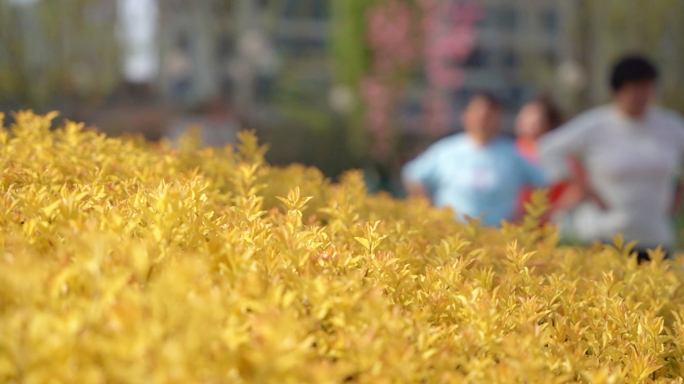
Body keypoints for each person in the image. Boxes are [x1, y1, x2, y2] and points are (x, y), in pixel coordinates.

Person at [538, 55, 684, 262]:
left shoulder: (669, 126)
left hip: (655, 238)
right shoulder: (598, 124)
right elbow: (548, 147)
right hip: (605, 234)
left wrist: (680, 192)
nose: (641, 95)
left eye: (646, 87)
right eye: (634, 88)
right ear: (617, 90)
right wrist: (582, 187)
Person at [402, 93, 547, 226]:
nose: (482, 120)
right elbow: (413, 175)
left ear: (498, 118)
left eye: (488, 116)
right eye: (477, 114)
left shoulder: (512, 153)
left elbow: (543, 182)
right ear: (466, 115)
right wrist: (429, 211)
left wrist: (525, 217)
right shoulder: (447, 150)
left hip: (496, 237)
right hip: (452, 235)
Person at [513, 97, 589, 221]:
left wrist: (555, 210)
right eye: (526, 115)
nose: (530, 121)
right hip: (515, 223)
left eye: (536, 117)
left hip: (553, 224)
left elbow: (579, 186)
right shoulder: (511, 151)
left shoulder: (561, 152)